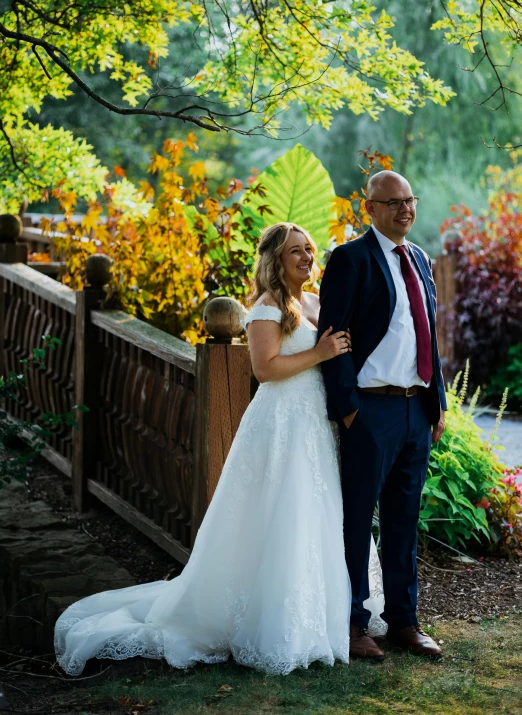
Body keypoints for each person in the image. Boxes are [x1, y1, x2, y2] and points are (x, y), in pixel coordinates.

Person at [55, 222, 384, 677]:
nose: (307, 258)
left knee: (316, 513)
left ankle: (319, 617)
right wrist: (321, 353)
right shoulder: (267, 307)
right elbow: (265, 369)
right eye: (295, 252)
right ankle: (267, 621)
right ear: (275, 260)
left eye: (309, 249)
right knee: (279, 514)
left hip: (314, 425)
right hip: (280, 424)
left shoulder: (315, 302)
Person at [318, 170, 447, 661]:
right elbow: (332, 337)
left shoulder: (420, 259)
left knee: (403, 521)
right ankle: (353, 624)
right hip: (370, 410)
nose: (404, 209)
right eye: (392, 202)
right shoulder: (350, 259)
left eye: (409, 200)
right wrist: (349, 409)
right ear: (368, 208)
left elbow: (427, 335)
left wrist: (437, 401)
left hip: (417, 409)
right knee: (356, 521)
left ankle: (404, 622)